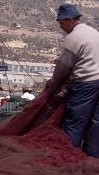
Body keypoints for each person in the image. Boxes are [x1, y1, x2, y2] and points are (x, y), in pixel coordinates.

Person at [46, 3, 99, 157]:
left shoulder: (73, 38)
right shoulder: (94, 32)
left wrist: (53, 83)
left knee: (74, 123)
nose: (61, 27)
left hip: (86, 84)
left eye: (62, 23)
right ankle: (92, 161)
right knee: (96, 125)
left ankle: (67, 158)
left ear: (70, 20)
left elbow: (63, 68)